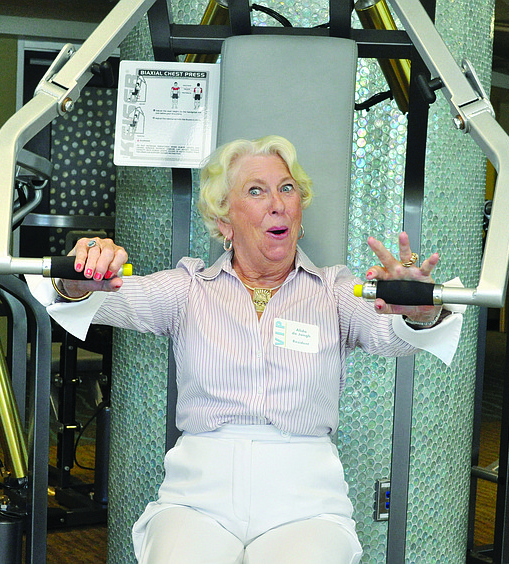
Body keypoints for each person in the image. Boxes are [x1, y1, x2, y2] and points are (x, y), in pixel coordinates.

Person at [44, 135, 463, 564]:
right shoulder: (189, 289)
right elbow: (102, 298)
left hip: (306, 504)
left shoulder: (334, 291)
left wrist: (419, 310)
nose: (278, 203)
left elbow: (392, 332)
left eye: (286, 188)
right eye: (256, 191)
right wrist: (81, 275)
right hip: (197, 498)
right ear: (224, 222)